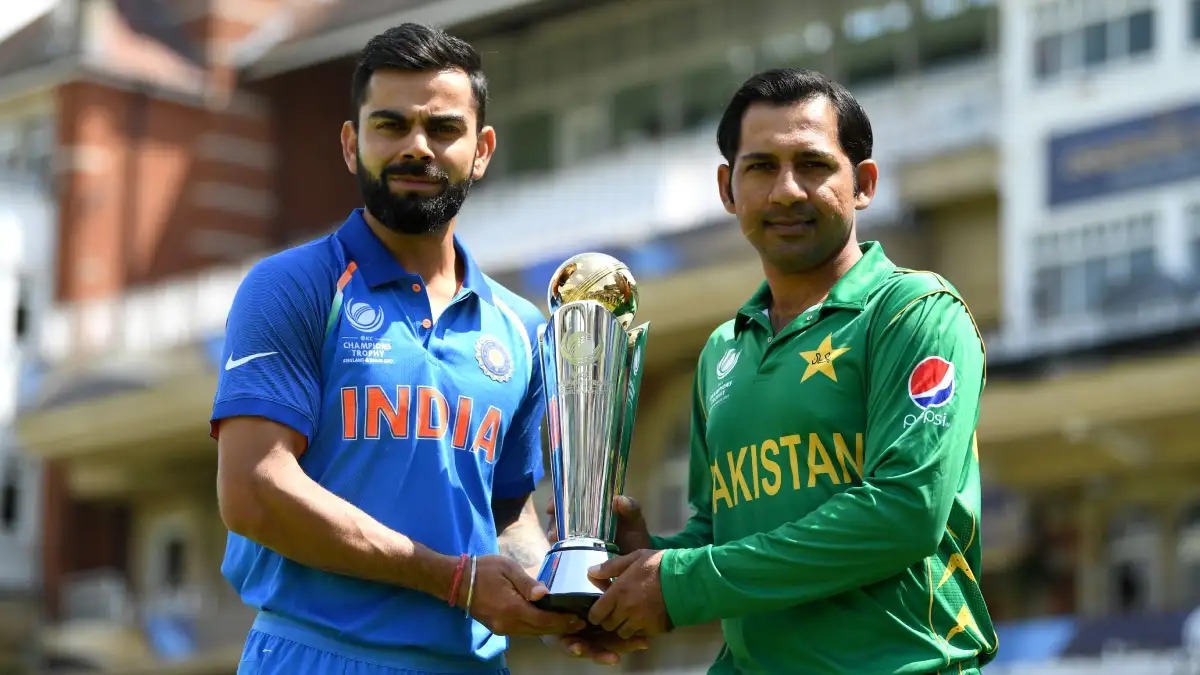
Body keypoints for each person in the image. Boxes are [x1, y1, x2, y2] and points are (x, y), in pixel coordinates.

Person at [551, 68, 1000, 673]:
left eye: (813, 165)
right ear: (728, 189)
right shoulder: (723, 350)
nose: (787, 191)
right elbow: (722, 533)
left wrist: (679, 582)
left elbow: (905, 512)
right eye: (761, 167)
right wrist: (638, 565)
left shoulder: (913, 312)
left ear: (864, 184)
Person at [210, 23, 587, 675]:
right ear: (351, 144)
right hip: (318, 655)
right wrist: (451, 579)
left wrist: (563, 598)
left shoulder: (522, 327)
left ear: (481, 150)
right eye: (391, 126)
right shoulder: (293, 286)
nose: (417, 146)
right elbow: (252, 489)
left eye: (442, 128)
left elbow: (503, 512)